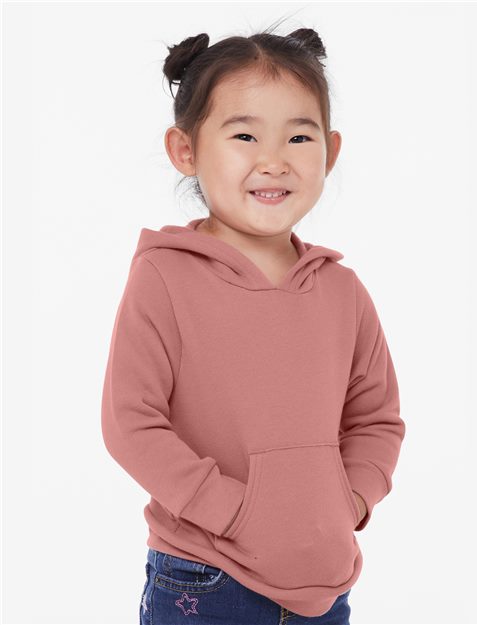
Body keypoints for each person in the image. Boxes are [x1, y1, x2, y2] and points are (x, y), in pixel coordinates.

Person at [101, 20, 406, 625]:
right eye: (244, 135)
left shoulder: (343, 291)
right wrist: (231, 511)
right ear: (185, 150)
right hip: (205, 579)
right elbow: (130, 422)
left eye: (299, 137)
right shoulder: (165, 277)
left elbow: (376, 419)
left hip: (325, 582)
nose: (274, 161)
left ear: (330, 151)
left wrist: (349, 499)